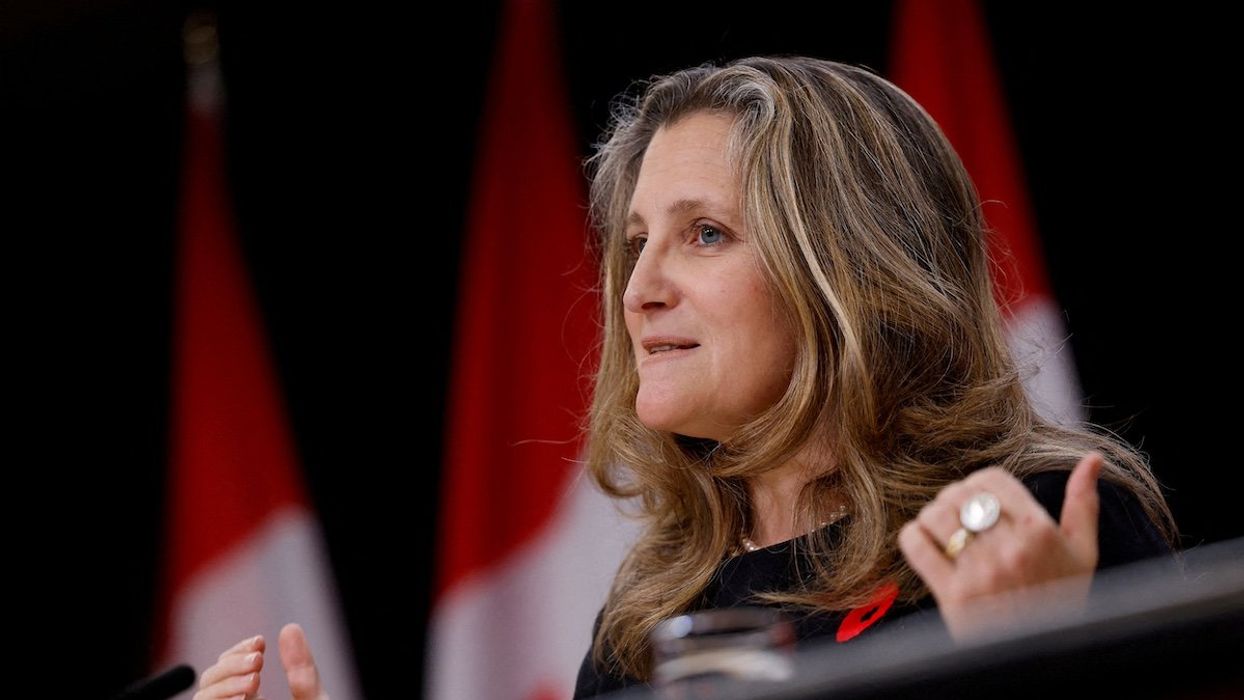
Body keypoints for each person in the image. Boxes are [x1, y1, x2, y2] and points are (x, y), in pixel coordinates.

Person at [193, 55, 1177, 699]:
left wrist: (1038, 664)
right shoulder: (642, 627)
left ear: (850, 270)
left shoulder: (1040, 527)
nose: (637, 292)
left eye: (704, 233)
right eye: (634, 244)